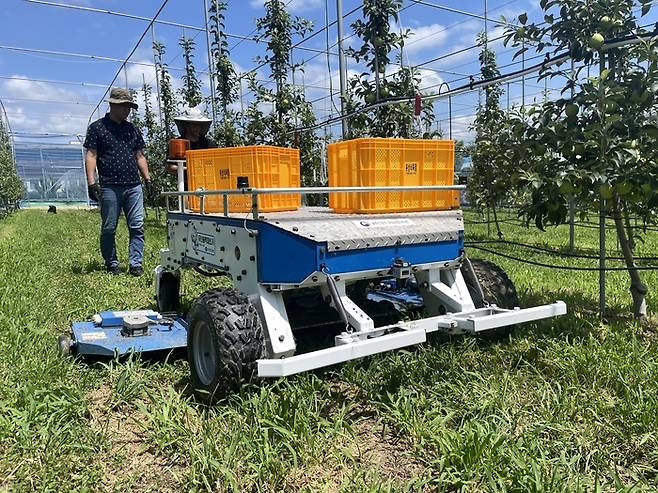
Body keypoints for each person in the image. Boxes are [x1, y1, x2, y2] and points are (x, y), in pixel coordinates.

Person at [84, 87, 153, 276]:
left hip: (133, 185)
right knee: (109, 227)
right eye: (124, 106)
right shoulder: (98, 128)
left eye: (129, 107)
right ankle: (111, 263)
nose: (127, 110)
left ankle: (136, 263)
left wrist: (147, 179)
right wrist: (92, 182)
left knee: (137, 225)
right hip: (109, 186)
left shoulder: (132, 130)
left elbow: (139, 155)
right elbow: (91, 155)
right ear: (113, 105)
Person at [167, 107, 216, 177]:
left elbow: (216, 165)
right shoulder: (177, 145)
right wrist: (188, 169)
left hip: (208, 184)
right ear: (186, 125)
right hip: (184, 185)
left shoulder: (209, 144)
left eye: (198, 124)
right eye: (193, 124)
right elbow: (170, 167)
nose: (197, 128)